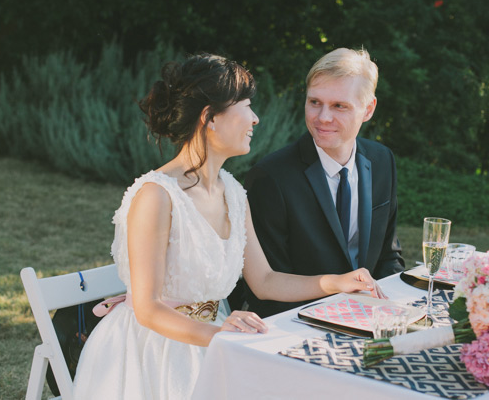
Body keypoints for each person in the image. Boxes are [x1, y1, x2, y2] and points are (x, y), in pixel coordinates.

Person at [72, 53, 384, 399]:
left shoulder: (233, 191)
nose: (255, 118)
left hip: (215, 340)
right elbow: (148, 308)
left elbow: (265, 281)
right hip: (152, 354)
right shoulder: (157, 196)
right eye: (246, 106)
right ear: (211, 118)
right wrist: (221, 336)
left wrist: (335, 282)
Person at [243, 48, 405, 318]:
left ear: (368, 109)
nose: (322, 118)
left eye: (339, 106)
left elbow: (389, 256)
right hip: (301, 327)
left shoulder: (382, 160)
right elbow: (265, 289)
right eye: (315, 102)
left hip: (374, 319)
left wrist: (390, 309)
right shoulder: (270, 177)